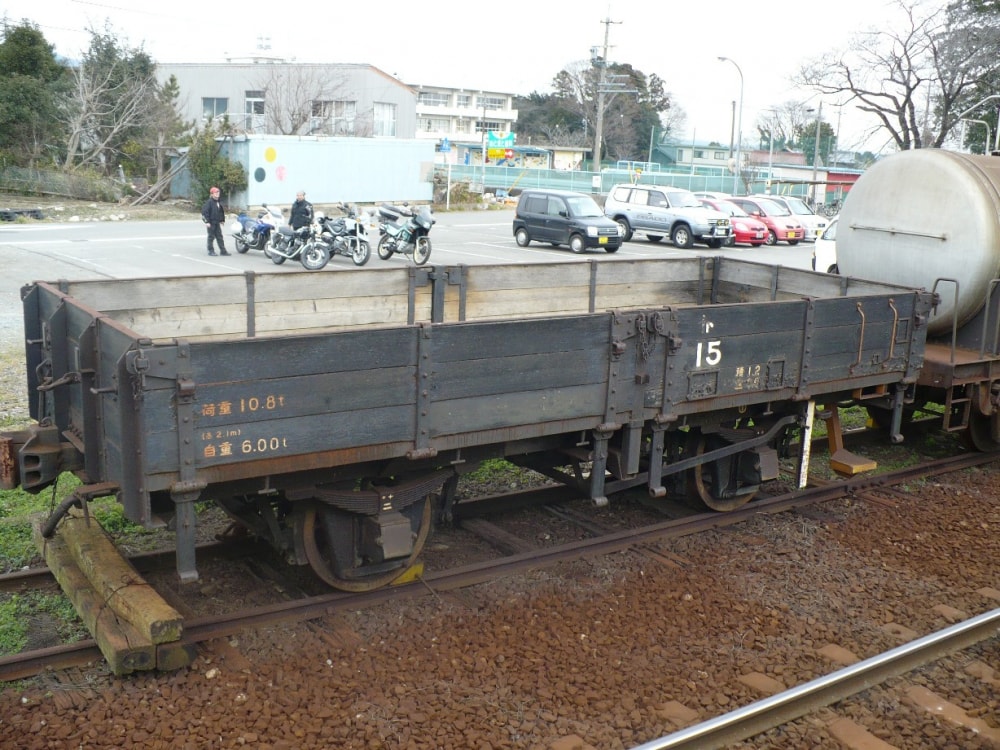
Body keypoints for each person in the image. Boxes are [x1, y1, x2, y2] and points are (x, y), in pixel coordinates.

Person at [201, 186, 230, 256]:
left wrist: (222, 220)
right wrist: (207, 222)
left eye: (218, 192)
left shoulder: (218, 202)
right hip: (211, 223)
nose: (217, 194)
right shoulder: (209, 203)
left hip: (217, 223)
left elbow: (220, 212)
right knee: (211, 237)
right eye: (215, 193)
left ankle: (223, 251)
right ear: (212, 194)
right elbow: (204, 213)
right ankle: (210, 251)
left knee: (220, 237)